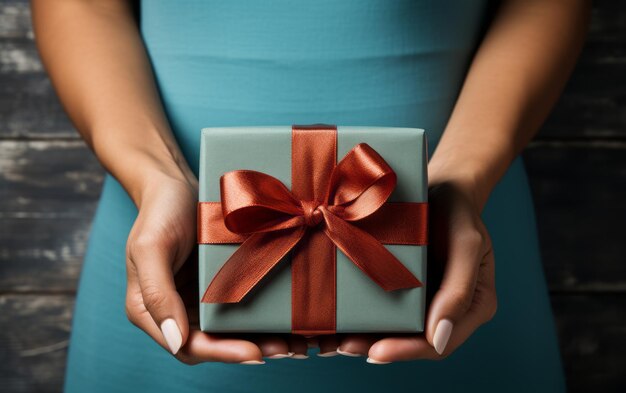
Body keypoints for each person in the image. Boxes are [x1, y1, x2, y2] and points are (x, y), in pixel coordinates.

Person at [31, 0, 590, 391]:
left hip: (455, 231)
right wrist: (156, 176)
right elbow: (81, 5)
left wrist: (463, 177)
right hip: (170, 242)